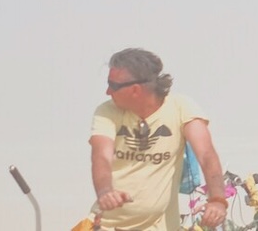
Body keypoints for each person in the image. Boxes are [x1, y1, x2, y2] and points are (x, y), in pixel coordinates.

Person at [90, 47, 227, 231]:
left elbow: (206, 155)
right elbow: (101, 156)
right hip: (106, 225)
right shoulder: (106, 111)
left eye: (113, 85)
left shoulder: (181, 108)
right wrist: (105, 191)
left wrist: (218, 200)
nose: (108, 91)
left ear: (136, 90)